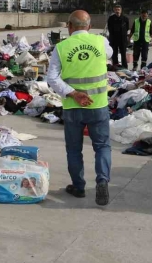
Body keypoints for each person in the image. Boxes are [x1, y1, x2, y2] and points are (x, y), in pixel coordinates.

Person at [48, 10, 113, 206]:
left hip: (73, 106)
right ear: (89, 26)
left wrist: (73, 93)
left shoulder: (60, 48)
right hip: (98, 105)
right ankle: (102, 181)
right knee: (102, 146)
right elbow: (108, 55)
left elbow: (52, 78)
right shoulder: (101, 42)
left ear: (69, 26)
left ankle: (78, 187)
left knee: (74, 149)